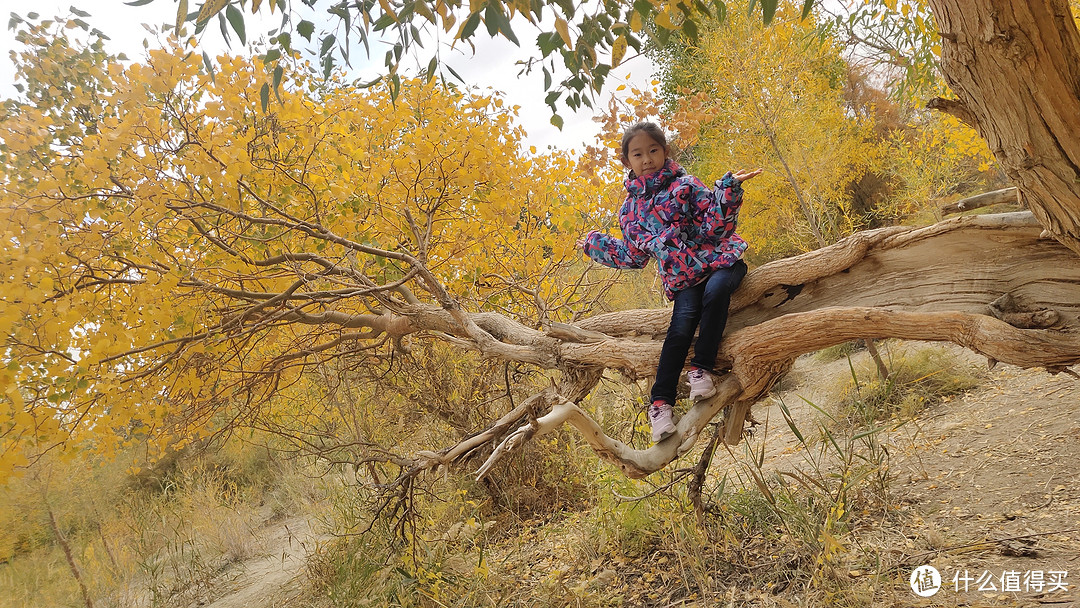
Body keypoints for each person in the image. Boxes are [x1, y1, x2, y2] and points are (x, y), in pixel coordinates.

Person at [577, 122, 762, 443]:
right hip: (684, 278)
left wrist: (728, 191)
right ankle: (660, 405)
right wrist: (596, 245)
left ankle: (700, 369)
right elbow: (633, 256)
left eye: (653, 150)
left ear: (665, 152)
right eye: (638, 154)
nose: (646, 158)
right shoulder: (630, 211)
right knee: (680, 327)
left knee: (716, 293)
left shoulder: (685, 186)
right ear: (627, 161)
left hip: (722, 261)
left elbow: (715, 227)